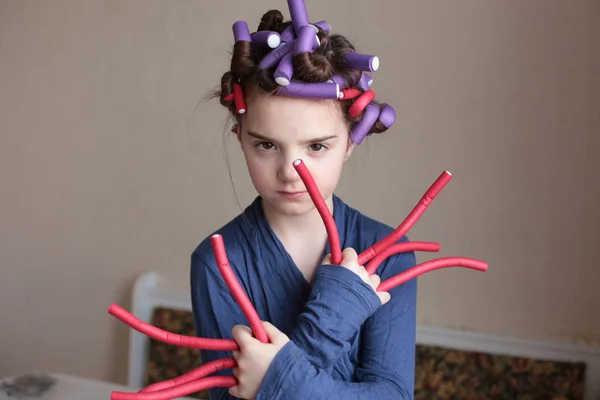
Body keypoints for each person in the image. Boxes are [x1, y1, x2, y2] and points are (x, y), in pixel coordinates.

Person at [190, 5, 417, 400]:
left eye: (316, 146)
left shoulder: (391, 254)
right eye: (266, 145)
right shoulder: (216, 262)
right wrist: (332, 318)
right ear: (239, 139)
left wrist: (279, 380)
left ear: (350, 142)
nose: (291, 171)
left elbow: (393, 396)